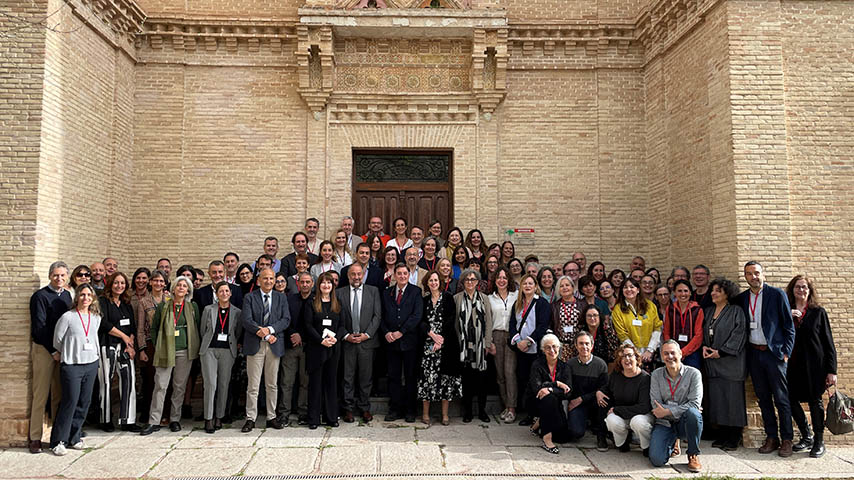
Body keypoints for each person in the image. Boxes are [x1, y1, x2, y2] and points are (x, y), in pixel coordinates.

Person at [737, 261, 795, 456]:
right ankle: (772, 437)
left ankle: (787, 439)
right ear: (745, 277)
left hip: (774, 355)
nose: (754, 277)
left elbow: (789, 326)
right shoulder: (743, 298)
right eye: (749, 274)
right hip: (754, 354)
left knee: (781, 398)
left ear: (763, 274)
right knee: (763, 399)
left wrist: (785, 353)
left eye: (757, 273)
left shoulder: (777, 294)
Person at [140, 275, 201, 435]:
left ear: (188, 290)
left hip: (184, 351)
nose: (181, 288)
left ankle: (175, 419)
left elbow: (197, 327)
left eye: (184, 286)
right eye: (179, 285)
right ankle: (154, 421)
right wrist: (159, 343)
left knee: (179, 387)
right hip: (165, 350)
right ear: (173, 289)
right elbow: (154, 328)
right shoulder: (164, 306)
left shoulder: (192, 307)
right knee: (160, 385)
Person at [785, 274, 837, 458]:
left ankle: (819, 441)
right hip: (792, 364)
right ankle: (806, 435)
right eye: (797, 287)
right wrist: (787, 316)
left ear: (810, 290)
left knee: (815, 402)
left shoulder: (818, 312)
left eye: (804, 287)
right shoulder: (785, 310)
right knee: (790, 400)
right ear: (792, 290)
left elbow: (828, 342)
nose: (801, 290)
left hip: (815, 365)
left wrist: (832, 370)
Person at [48, 284, 102, 456]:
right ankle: (58, 441)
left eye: (88, 295)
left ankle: (74, 436)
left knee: (84, 402)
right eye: (82, 295)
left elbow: (93, 337)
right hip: (72, 364)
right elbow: (58, 339)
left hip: (91, 363)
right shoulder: (68, 317)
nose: (85, 298)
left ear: (93, 298)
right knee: (70, 401)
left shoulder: (95, 317)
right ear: (77, 297)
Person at [28, 261, 72, 453]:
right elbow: (39, 328)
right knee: (40, 394)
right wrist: (53, 351)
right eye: (56, 275)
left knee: (59, 394)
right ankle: (35, 438)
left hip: (62, 351)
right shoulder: (40, 296)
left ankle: (58, 436)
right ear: (49, 276)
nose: (59, 278)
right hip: (44, 350)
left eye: (63, 275)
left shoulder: (67, 296)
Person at [240, 268, 291, 432]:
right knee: (253, 385)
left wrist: (269, 330)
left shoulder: (281, 297)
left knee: (272, 384)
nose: (269, 281)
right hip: (255, 345)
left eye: (271, 278)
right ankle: (250, 418)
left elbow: (285, 319)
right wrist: (263, 333)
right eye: (265, 278)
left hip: (274, 345)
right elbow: (247, 320)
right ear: (259, 280)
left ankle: (271, 416)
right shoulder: (250, 297)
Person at [702, 277, 747, 451]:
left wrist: (721, 352)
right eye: (712, 290)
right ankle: (722, 435)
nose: (713, 293)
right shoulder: (708, 311)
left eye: (717, 291)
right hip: (713, 364)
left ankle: (734, 437)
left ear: (727, 294)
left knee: (732, 401)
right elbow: (704, 331)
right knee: (718, 401)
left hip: (731, 363)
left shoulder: (736, 311)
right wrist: (705, 347)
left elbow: (739, 334)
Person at [648, 340, 703, 473]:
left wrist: (667, 411)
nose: (670, 356)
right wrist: (676, 409)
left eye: (673, 353)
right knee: (657, 460)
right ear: (662, 356)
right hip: (664, 423)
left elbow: (695, 404)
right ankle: (673, 443)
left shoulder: (694, 374)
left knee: (694, 414)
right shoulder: (656, 375)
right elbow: (655, 403)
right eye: (666, 353)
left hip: (684, 422)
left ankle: (692, 454)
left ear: (680, 354)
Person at [337, 263, 382, 423]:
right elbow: (336, 318)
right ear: (348, 276)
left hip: (366, 342)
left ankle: (364, 408)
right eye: (353, 275)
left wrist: (367, 335)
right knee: (347, 377)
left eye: (359, 274)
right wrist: (346, 335)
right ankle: (348, 409)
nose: (356, 277)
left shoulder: (373, 291)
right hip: (348, 342)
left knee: (365, 378)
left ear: (363, 275)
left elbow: (377, 316)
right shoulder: (339, 293)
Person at [418, 271, 462, 426]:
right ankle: (425, 414)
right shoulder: (423, 300)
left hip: (446, 344)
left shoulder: (448, 298)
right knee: (427, 379)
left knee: (445, 380)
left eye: (436, 280)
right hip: (428, 345)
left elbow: (451, 319)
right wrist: (432, 335)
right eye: (431, 280)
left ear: (440, 282)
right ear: (427, 283)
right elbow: (421, 320)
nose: (434, 283)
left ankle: (444, 415)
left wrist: (440, 339)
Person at [381, 263, 423, 422]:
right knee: (393, 377)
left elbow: (416, 316)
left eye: (405, 273)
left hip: (409, 341)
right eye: (399, 273)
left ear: (408, 275)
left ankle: (411, 410)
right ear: (394, 276)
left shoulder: (416, 291)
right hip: (391, 342)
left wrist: (401, 331)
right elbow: (382, 315)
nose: (402, 276)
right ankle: (394, 409)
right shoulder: (387, 293)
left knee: (411, 377)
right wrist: (387, 332)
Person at [302, 272, 345, 429]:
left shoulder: (337, 303)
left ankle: (331, 417)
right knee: (315, 384)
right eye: (323, 283)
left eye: (329, 283)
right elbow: (308, 326)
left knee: (331, 383)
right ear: (318, 285)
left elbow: (342, 326)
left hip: (333, 349)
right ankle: (313, 419)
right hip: (316, 349)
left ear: (333, 286)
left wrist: (335, 339)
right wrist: (321, 340)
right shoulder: (311, 303)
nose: (326, 286)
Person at [97, 272, 138, 432]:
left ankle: (128, 420)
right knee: (106, 382)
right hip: (108, 345)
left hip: (125, 348)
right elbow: (104, 323)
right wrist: (124, 336)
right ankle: (105, 419)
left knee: (129, 381)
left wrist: (130, 343)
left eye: (122, 283)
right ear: (110, 284)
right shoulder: (103, 301)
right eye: (116, 283)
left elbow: (132, 325)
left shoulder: (126, 303)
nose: (119, 286)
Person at [199, 282, 242, 433]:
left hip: (227, 352)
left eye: (226, 291)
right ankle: (208, 418)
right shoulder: (208, 310)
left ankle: (219, 416)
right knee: (211, 384)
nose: (224, 293)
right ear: (216, 294)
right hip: (209, 350)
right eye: (221, 291)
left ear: (230, 293)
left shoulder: (237, 312)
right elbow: (202, 330)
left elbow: (237, 333)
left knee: (224, 384)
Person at [509, 274, 551, 426]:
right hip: (521, 350)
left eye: (530, 283)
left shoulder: (542, 304)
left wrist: (529, 340)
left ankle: (536, 415)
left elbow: (542, 325)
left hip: (536, 350)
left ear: (535, 286)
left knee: (536, 382)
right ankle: (528, 414)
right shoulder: (517, 304)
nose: (527, 286)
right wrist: (518, 341)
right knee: (523, 380)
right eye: (524, 283)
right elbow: (512, 324)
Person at [454, 268, 495, 423]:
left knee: (481, 381)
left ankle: (482, 411)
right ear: (463, 282)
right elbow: (455, 323)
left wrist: (487, 342)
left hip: (480, 346)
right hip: (464, 346)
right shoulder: (457, 298)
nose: (470, 282)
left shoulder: (485, 298)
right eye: (467, 279)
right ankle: (468, 412)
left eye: (473, 279)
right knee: (467, 381)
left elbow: (489, 321)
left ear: (478, 282)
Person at [598, 344, 654, 455]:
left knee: (637, 422)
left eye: (629, 355)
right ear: (620, 360)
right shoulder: (616, 375)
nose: (627, 359)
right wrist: (599, 392)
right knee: (611, 420)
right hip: (623, 413)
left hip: (641, 415)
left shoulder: (645, 378)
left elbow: (644, 407)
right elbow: (607, 388)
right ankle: (622, 443)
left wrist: (616, 410)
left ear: (636, 358)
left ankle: (646, 446)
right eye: (623, 356)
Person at [277, 272, 312, 426]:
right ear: (298, 284)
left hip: (308, 347)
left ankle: (303, 412)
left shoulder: (316, 300)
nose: (304, 285)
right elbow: (285, 318)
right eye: (302, 282)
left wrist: (301, 336)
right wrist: (293, 334)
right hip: (290, 346)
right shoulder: (289, 299)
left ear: (312, 283)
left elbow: (314, 323)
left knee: (305, 382)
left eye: (307, 282)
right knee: (286, 381)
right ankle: (284, 413)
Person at [134, 270, 169, 423]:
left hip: (168, 343)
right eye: (155, 280)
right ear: (150, 282)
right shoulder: (144, 302)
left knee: (166, 379)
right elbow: (140, 328)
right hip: (150, 344)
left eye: (161, 281)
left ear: (165, 283)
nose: (158, 284)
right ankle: (148, 413)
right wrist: (141, 349)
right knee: (150, 380)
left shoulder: (170, 299)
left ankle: (165, 413)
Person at [528, 334, 572, 454]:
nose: (552, 350)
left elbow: (568, 392)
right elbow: (537, 389)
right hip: (537, 402)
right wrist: (557, 384)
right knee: (548, 398)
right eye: (548, 347)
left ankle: (540, 423)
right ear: (543, 350)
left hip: (556, 405)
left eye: (554, 347)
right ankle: (547, 439)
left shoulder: (565, 367)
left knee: (563, 438)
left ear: (559, 348)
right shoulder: (537, 364)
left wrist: (551, 388)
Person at [566, 331, 609, 449]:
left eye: (587, 343)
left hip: (595, 402)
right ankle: (585, 423)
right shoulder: (570, 364)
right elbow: (569, 387)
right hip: (577, 404)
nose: (584, 347)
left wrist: (582, 398)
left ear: (592, 345)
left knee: (604, 400)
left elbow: (604, 389)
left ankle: (601, 436)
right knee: (576, 433)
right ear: (575, 345)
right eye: (581, 344)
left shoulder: (601, 365)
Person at [488, 266, 519, 423]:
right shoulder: (490, 298)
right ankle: (505, 405)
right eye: (499, 278)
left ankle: (512, 408)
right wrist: (490, 341)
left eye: (504, 278)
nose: (501, 280)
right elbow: (488, 321)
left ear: (509, 280)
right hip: (496, 335)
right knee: (500, 375)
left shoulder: (516, 296)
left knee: (509, 372)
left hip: (512, 336)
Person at [612, 278, 661, 372]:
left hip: (651, 353)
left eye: (632, 287)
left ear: (638, 290)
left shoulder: (650, 306)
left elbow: (657, 328)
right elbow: (622, 334)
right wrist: (635, 353)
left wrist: (650, 350)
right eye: (625, 287)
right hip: (629, 355)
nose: (628, 289)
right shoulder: (617, 310)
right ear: (622, 291)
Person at [662, 279, 704, 369]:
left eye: (685, 291)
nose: (683, 294)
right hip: (672, 354)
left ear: (690, 293)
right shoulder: (670, 309)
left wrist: (682, 352)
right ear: (675, 293)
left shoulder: (697, 310)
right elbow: (666, 331)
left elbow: (698, 335)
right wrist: (672, 350)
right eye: (679, 291)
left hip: (692, 353)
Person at [551, 276, 583, 361]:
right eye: (561, 286)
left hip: (578, 346)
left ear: (572, 287)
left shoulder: (582, 305)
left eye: (567, 285)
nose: (564, 288)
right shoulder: (554, 306)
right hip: (561, 346)